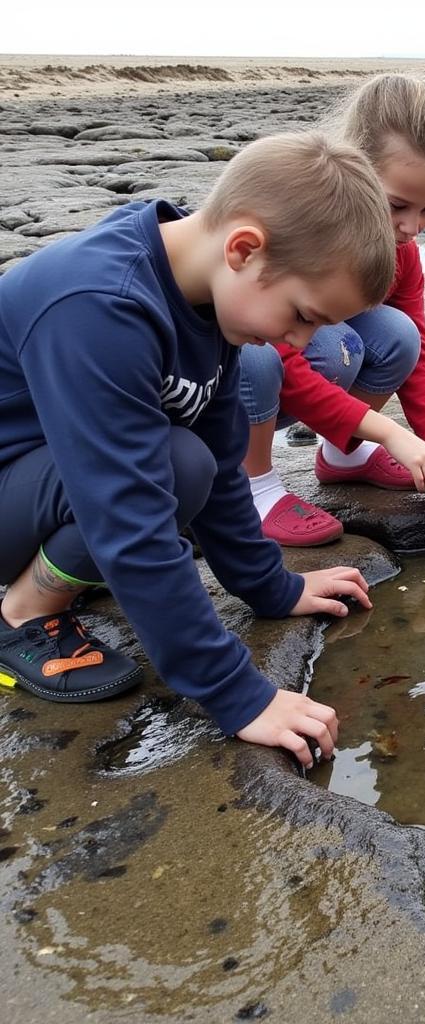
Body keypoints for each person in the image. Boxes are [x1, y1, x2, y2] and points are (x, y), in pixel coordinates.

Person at [0, 132, 399, 767]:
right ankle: (20, 613)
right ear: (244, 248)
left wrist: (270, 587)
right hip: (18, 483)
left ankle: (53, 571)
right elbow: (128, 518)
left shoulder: (205, 293)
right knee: (166, 469)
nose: (298, 342)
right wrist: (237, 694)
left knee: (189, 462)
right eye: (302, 315)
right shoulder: (99, 306)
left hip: (39, 480)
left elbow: (221, 464)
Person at [239, 74, 425, 546]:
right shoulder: (302, 235)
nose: (411, 227)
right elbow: (275, 354)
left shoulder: (402, 252)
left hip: (307, 376)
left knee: (398, 335)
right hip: (228, 384)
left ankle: (344, 455)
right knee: (315, 349)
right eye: (397, 205)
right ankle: (254, 485)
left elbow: (418, 349)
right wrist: (389, 434)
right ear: (353, 167)